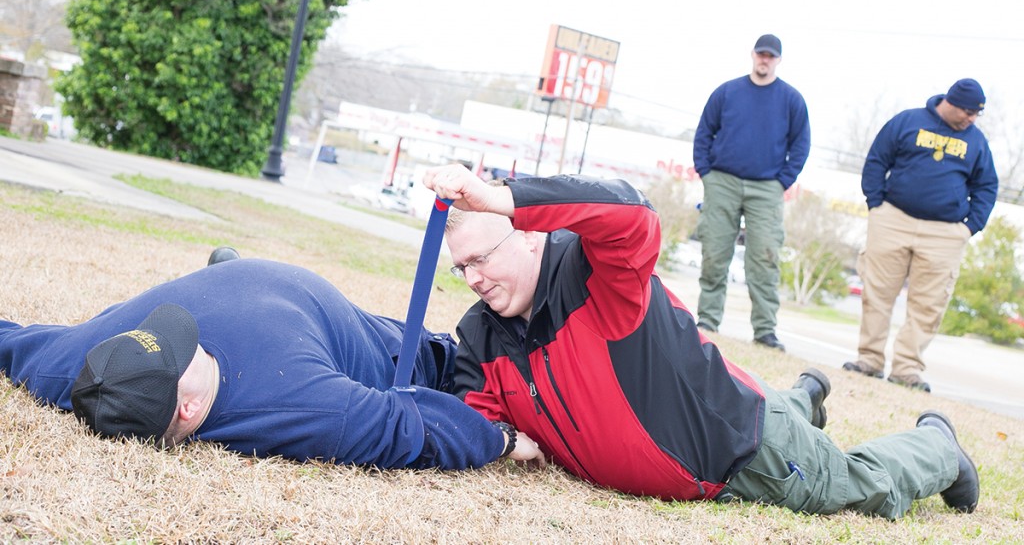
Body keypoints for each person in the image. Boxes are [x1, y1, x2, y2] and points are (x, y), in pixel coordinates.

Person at [423, 163, 979, 518]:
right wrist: (500, 438)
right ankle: (804, 398)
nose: (472, 278)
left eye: (481, 258)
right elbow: (480, 413)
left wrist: (500, 196)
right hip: (699, 394)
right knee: (768, 406)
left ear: (526, 235)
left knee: (859, 486)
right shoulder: (479, 334)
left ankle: (938, 447)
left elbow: (629, 211)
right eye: (460, 267)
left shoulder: (592, 274)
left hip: (735, 448)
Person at [0, 251, 543, 469]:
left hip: (234, 282)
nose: (182, 338)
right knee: (440, 362)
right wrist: (501, 439)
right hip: (364, 340)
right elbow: (409, 426)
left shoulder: (82, 369)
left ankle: (226, 266)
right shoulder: (303, 407)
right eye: (181, 352)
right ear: (187, 412)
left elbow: (15, 341)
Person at [844, 79, 999, 392]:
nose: (971, 118)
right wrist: (876, 205)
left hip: (944, 233)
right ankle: (869, 360)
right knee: (877, 293)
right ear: (950, 102)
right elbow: (877, 160)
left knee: (928, 304)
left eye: (977, 114)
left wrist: (969, 227)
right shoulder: (908, 121)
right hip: (894, 219)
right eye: (968, 111)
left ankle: (907, 369)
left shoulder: (977, 142)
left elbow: (986, 187)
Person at [692, 33, 811, 351]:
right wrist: (707, 172)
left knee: (764, 259)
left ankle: (764, 330)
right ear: (752, 55)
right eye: (761, 54)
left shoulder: (791, 99)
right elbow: (704, 131)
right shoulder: (728, 91)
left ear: (779, 60)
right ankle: (707, 320)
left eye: (771, 56)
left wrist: (782, 181)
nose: (765, 59)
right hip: (723, 182)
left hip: (766, 188)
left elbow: (801, 145)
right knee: (715, 253)